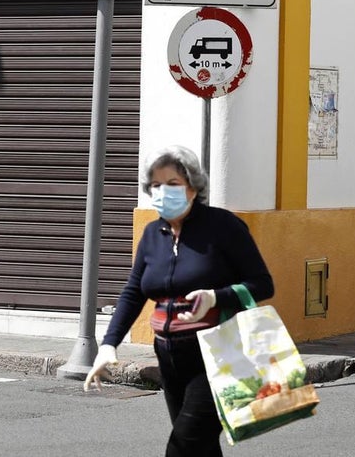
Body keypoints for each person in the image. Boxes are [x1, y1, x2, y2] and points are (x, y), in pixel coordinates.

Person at [84, 145, 274, 457]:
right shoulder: (152, 234)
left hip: (218, 352)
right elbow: (134, 292)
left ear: (193, 186)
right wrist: (108, 345)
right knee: (200, 448)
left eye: (172, 184)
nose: (163, 192)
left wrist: (215, 297)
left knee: (183, 445)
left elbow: (263, 285)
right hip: (170, 354)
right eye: (156, 186)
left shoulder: (223, 227)